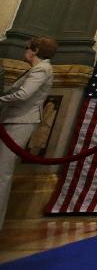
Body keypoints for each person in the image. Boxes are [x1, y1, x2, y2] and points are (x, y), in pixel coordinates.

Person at [0, 36, 57, 231]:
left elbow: (24, 94)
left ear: (35, 51)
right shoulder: (37, 69)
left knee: (3, 172)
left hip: (21, 120)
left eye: (27, 48)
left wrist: (1, 99)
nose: (25, 51)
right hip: (11, 119)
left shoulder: (42, 69)